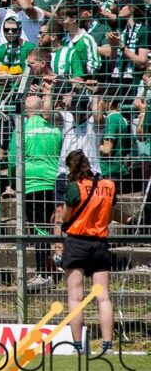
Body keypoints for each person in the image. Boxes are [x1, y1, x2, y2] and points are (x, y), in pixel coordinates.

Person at [59, 148, 117, 354]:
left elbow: (65, 217)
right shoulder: (109, 186)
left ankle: (78, 347)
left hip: (77, 242)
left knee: (75, 297)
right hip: (100, 242)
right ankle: (107, 345)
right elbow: (109, 215)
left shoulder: (74, 187)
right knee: (103, 296)